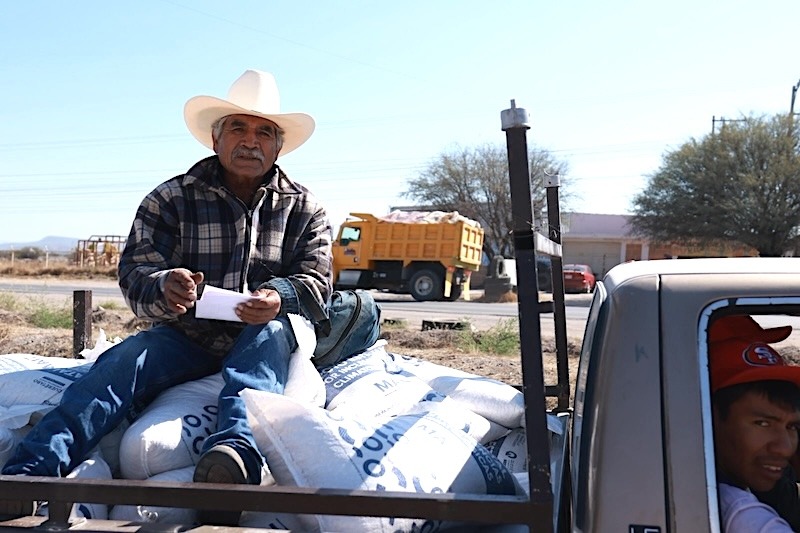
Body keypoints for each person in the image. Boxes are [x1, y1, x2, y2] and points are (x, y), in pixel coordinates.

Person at [0, 69, 332, 524]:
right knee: (122, 362)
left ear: (278, 147)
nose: (250, 141)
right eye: (238, 128)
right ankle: (29, 473)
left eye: (264, 133)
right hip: (187, 335)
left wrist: (278, 296)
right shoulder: (171, 198)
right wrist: (165, 286)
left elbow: (319, 283)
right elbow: (135, 271)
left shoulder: (303, 207)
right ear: (216, 139)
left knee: (268, 332)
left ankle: (232, 458)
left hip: (262, 335)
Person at [709, 314, 800, 532]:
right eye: (762, 423)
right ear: (711, 418)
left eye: (792, 427)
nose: (785, 448)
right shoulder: (744, 516)